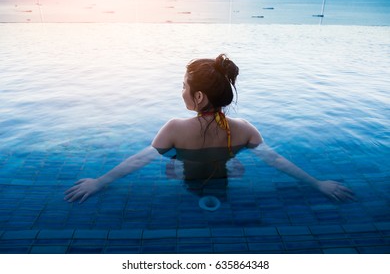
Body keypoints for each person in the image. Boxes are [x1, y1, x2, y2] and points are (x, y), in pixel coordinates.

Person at [64, 54, 355, 204]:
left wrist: (99, 182)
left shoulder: (174, 128)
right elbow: (276, 161)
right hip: (224, 182)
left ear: (198, 96)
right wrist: (318, 184)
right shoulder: (245, 129)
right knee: (224, 166)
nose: (181, 91)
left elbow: (140, 159)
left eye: (183, 87)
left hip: (189, 181)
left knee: (176, 167)